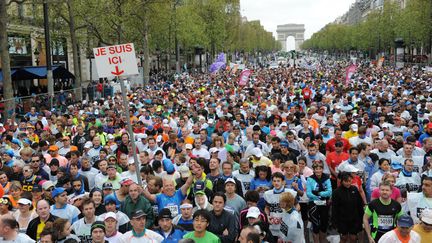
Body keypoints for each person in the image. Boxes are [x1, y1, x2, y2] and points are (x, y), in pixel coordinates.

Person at [331, 172, 364, 243]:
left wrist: (362, 218)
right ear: (342, 181)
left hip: (354, 218)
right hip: (342, 219)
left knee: (353, 238)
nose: (348, 183)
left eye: (349, 181)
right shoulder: (336, 192)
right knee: (343, 237)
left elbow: (359, 204)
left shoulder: (354, 189)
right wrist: (334, 222)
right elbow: (334, 208)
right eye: (346, 181)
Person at [306, 161, 332, 243]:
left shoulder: (327, 177)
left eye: (320, 169)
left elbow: (330, 191)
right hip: (313, 204)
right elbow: (309, 193)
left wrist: (318, 193)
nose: (318, 171)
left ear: (322, 169)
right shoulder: (310, 179)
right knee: (315, 226)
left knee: (324, 225)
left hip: (325, 204)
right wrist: (319, 196)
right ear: (313, 169)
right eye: (316, 169)